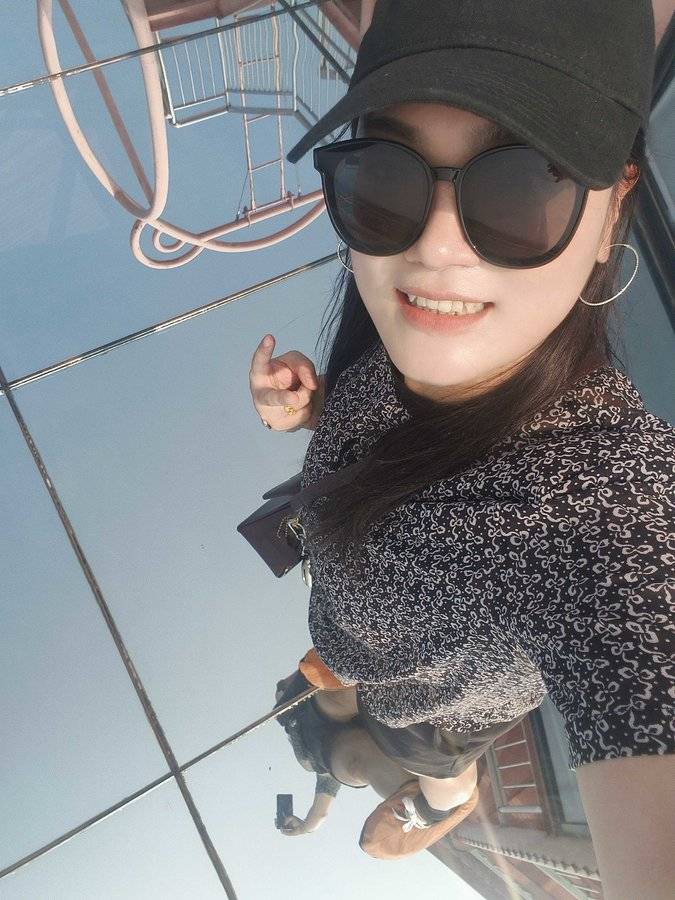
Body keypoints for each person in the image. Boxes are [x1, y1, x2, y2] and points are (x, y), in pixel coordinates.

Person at [249, 0, 675, 879]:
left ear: (614, 207)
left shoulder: (599, 506)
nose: (434, 246)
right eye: (386, 174)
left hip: (441, 708)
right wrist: (309, 412)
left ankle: (446, 807)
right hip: (368, 641)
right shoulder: (398, 343)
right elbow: (396, 435)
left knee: (432, 762)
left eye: (523, 183)